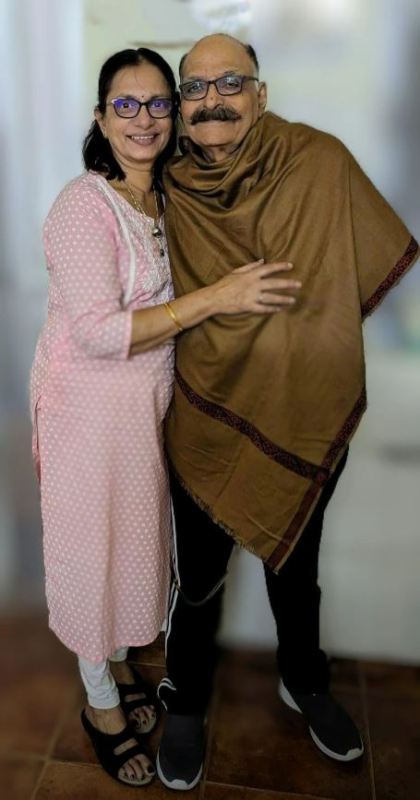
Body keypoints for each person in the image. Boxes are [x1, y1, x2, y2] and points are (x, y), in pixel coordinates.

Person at [30, 46, 300, 788]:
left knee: (130, 551)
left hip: (146, 416)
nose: (144, 119)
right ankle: (99, 705)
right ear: (101, 117)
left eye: (157, 102)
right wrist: (218, 298)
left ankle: (116, 663)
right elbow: (97, 332)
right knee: (92, 558)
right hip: (87, 417)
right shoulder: (85, 205)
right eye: (126, 104)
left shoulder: (168, 196)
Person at [156, 33, 419, 790]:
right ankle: (186, 698)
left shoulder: (319, 162)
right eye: (196, 88)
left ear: (261, 93)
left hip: (301, 408)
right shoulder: (164, 185)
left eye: (230, 83)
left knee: (295, 564)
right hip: (204, 411)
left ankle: (304, 681)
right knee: (198, 576)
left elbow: (352, 272)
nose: (212, 101)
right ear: (181, 105)